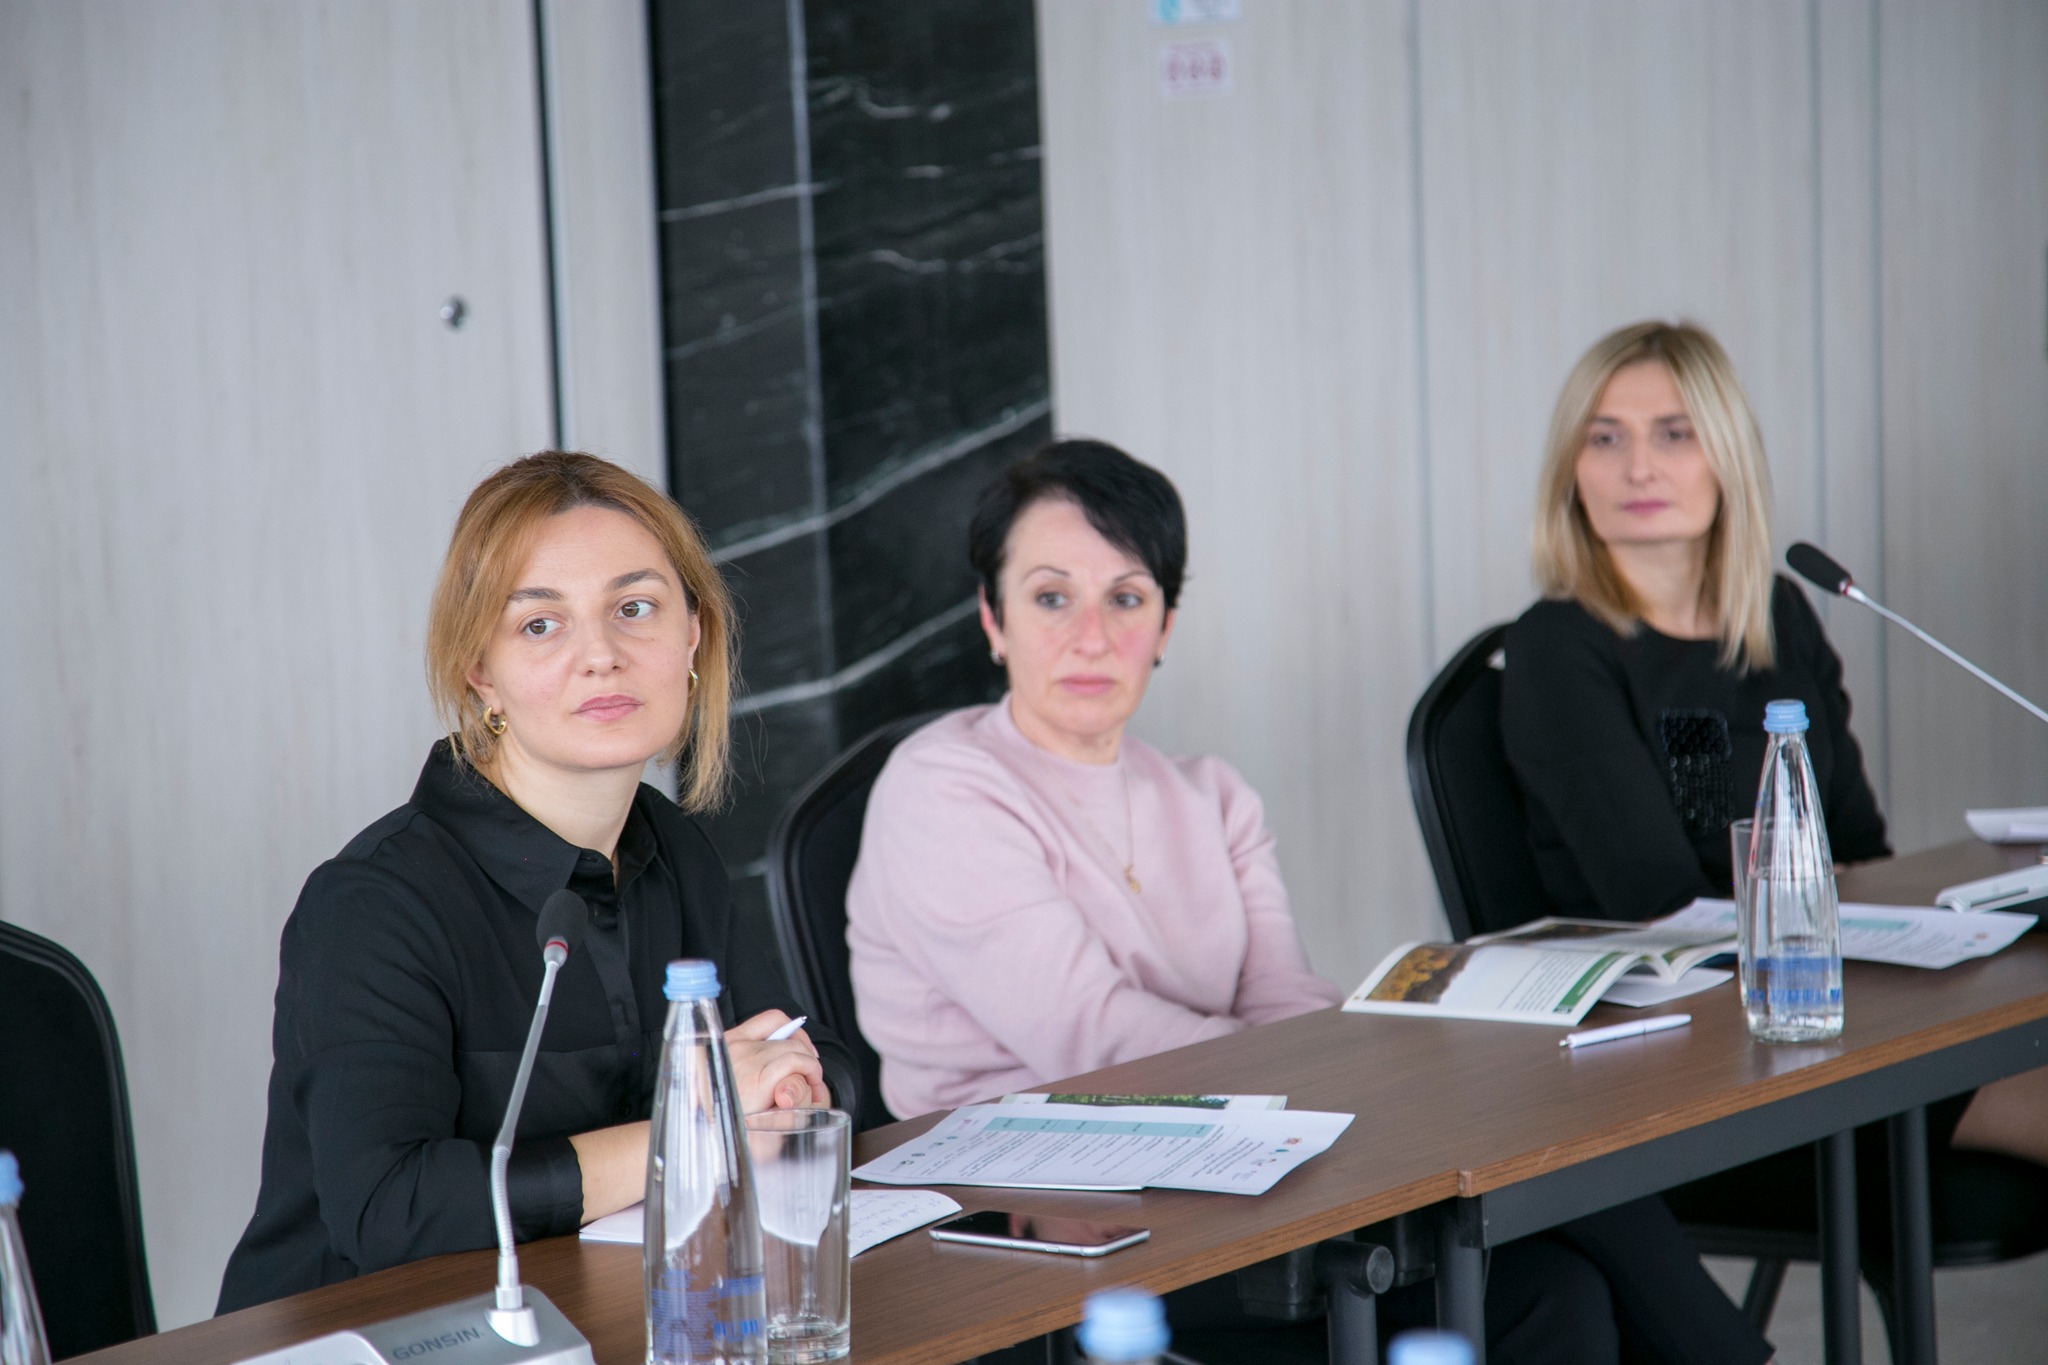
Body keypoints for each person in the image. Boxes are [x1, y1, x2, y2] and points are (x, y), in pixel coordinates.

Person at [848, 439, 1772, 1365]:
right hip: (1031, 1228)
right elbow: (1092, 1039)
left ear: (1165, 625)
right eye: (1052, 597)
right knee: (1522, 1280)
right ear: (993, 619)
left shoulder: (1211, 794)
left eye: (1125, 598)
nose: (1091, 635)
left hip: (1227, 1175)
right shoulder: (940, 787)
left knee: (1554, 1282)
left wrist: (1356, 1067)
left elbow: (1287, 999)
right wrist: (1335, 1084)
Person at [218, 452, 856, 1312]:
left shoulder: (671, 847)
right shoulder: (372, 904)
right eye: (541, 624)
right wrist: (694, 1126)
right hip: (372, 1336)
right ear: (481, 670)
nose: (602, 656)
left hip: (605, 1313)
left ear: (693, 635)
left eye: (635, 608)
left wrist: (788, 1088)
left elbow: (810, 1053)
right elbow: (390, 1209)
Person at [1500, 318, 2048, 1175]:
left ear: (1728, 456)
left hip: (1834, 1004)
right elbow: (1662, 903)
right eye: (1604, 438)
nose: (1638, 467)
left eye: (1673, 434)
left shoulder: (1779, 613)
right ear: (1571, 467)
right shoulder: (1556, 647)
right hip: (1693, 1059)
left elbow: (1859, 847)